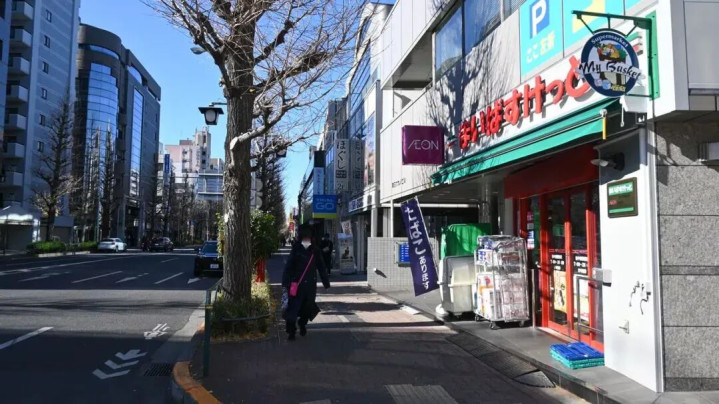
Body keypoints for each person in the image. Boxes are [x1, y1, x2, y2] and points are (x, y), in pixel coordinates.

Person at [282, 225, 330, 340]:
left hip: (310, 286)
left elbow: (321, 267)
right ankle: (291, 331)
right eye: (304, 238)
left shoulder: (315, 251)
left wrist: (326, 282)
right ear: (301, 238)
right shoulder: (296, 249)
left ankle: (302, 324)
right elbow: (288, 268)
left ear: (311, 238)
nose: (306, 240)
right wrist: (285, 283)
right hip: (296, 285)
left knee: (307, 308)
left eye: (308, 238)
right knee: (293, 308)